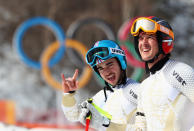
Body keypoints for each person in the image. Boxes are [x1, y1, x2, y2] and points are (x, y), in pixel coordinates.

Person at [129, 16, 194, 131]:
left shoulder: (181, 71)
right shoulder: (144, 86)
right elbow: (140, 128)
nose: (143, 43)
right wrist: (101, 121)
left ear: (163, 41)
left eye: (149, 37)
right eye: (140, 38)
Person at [61, 40, 140, 130]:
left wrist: (103, 124)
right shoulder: (102, 96)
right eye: (100, 68)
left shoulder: (137, 90)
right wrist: (68, 95)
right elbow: (73, 116)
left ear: (121, 63)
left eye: (109, 64)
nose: (106, 72)